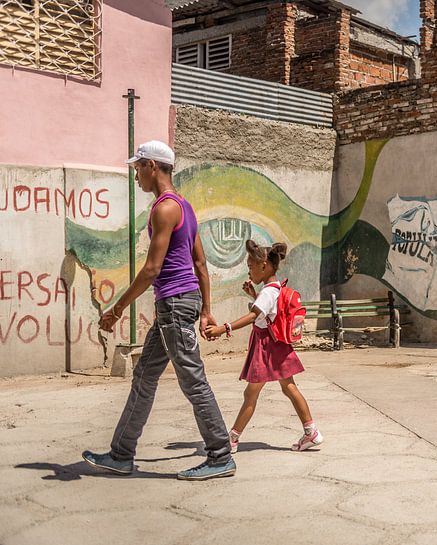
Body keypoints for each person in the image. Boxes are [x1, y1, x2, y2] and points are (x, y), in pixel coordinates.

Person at [82, 140, 236, 481]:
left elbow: (152, 268)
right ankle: (121, 454)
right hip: (181, 303)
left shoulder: (164, 209)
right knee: (145, 376)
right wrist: (206, 308)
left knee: (193, 382)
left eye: (138, 168)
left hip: (175, 304)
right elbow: (200, 262)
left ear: (153, 166)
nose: (136, 175)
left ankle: (220, 455)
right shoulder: (186, 206)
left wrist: (118, 308)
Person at [205, 240, 323, 453]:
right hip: (276, 346)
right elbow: (268, 312)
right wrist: (253, 294)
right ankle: (311, 432)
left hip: (267, 348)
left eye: (250, 266)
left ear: (264, 266)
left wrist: (224, 328)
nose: (249, 271)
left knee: (251, 394)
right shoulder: (274, 288)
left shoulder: (268, 292)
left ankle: (231, 439)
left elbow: (254, 316)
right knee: (289, 388)